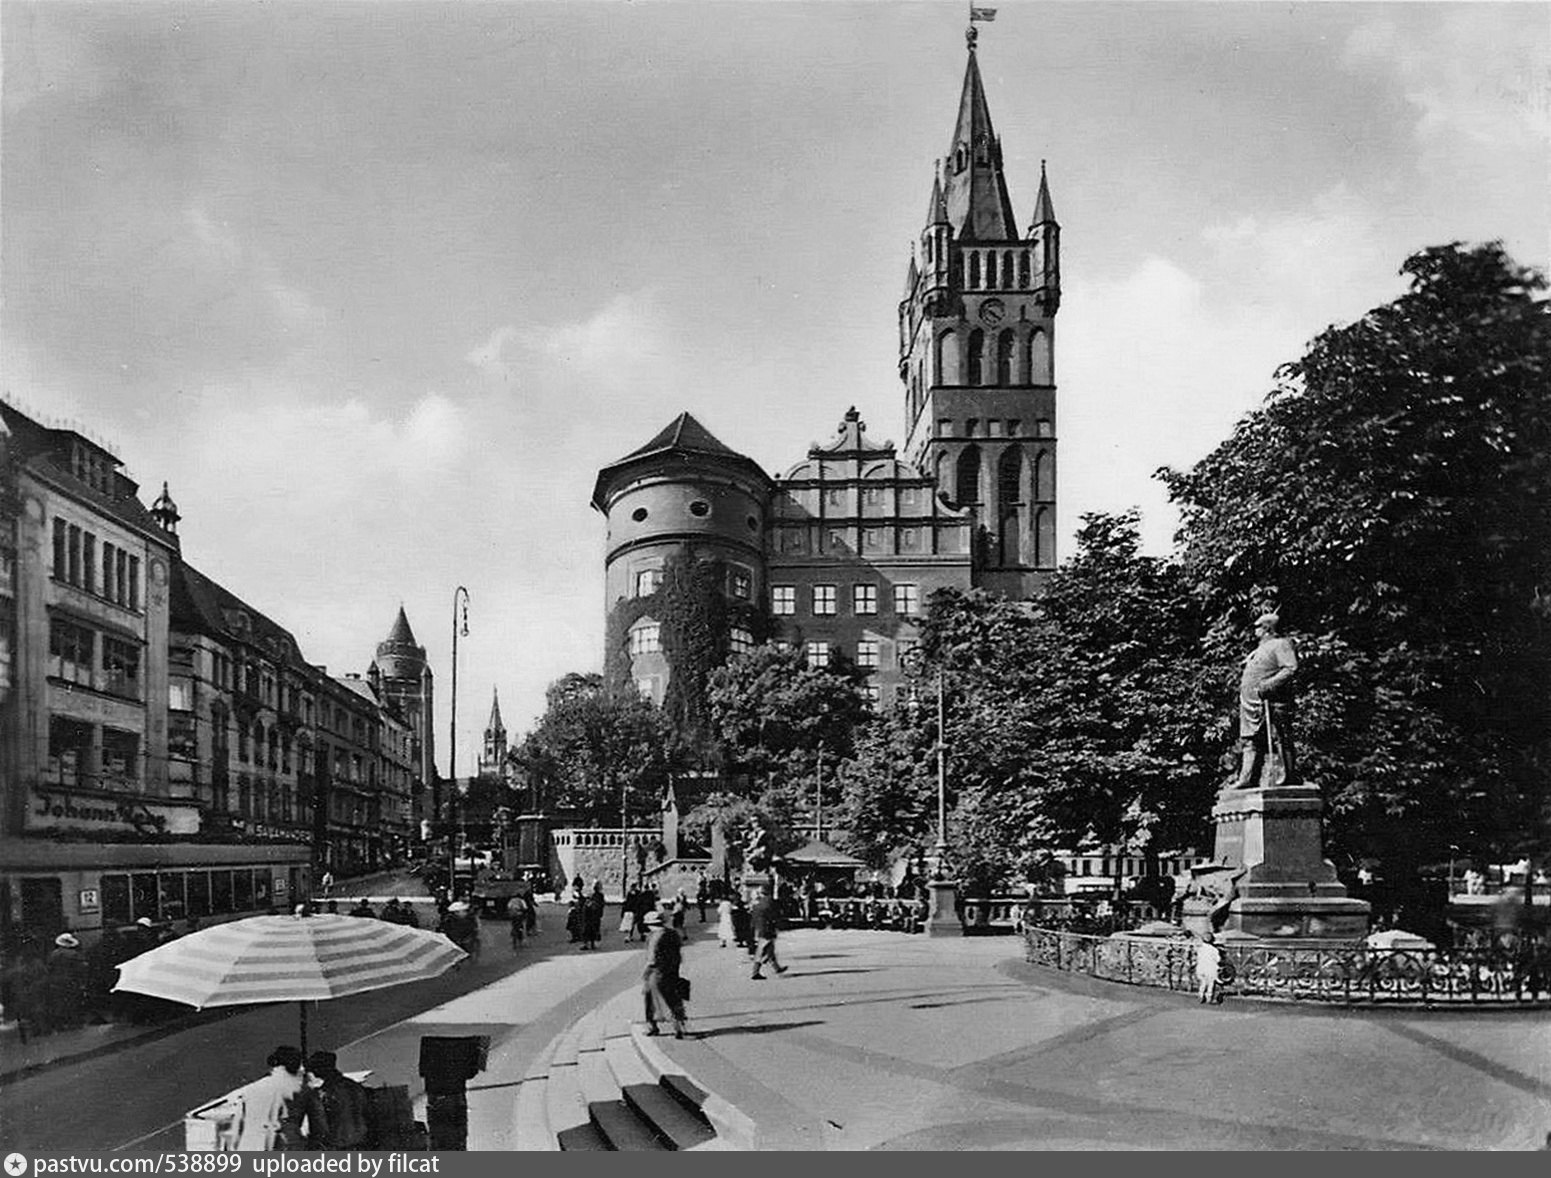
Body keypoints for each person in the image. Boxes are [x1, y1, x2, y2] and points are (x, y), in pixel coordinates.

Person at [1234, 612, 1299, 789]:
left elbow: (1290, 668)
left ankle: (1287, 775)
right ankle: (1246, 778)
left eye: (1257, 627)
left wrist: (1269, 684)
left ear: (1266, 628)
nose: (1254, 631)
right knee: (1249, 740)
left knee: (1280, 736)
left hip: (1271, 700)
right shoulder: (1258, 649)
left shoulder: (1281, 644)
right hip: (1251, 702)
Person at [233, 1045, 325, 1150]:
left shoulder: (250, 1089)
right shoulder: (304, 1090)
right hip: (288, 1146)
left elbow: (236, 1128)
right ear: (296, 1065)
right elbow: (319, 1128)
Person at [306, 1050, 372, 1150]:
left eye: (314, 1068)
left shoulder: (321, 1094)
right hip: (360, 1145)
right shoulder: (355, 1087)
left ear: (321, 1068)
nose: (312, 1072)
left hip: (336, 1148)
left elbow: (320, 1129)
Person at [640, 911, 688, 1039]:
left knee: (650, 1000)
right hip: (672, 971)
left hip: (657, 973)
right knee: (673, 998)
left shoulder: (654, 936)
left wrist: (645, 973)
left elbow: (652, 959)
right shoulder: (673, 933)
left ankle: (652, 1027)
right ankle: (678, 1026)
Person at [749, 885, 787, 980]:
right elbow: (776, 915)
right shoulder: (771, 902)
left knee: (769, 950)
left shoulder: (758, 904)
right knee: (763, 951)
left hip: (761, 929)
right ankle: (755, 971)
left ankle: (776, 968)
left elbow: (753, 918)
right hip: (768, 929)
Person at [1195, 931, 1223, 1005]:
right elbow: (1218, 959)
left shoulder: (1200, 948)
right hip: (1210, 968)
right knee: (1210, 983)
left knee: (1203, 982)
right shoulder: (1214, 950)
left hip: (1200, 967)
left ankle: (1201, 995)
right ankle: (1209, 997)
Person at [582, 880, 606, 950]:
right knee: (593, 929)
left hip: (592, 915)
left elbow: (598, 905)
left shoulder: (595, 896)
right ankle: (591, 944)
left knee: (589, 929)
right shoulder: (599, 896)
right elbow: (601, 905)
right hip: (594, 915)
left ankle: (588, 944)